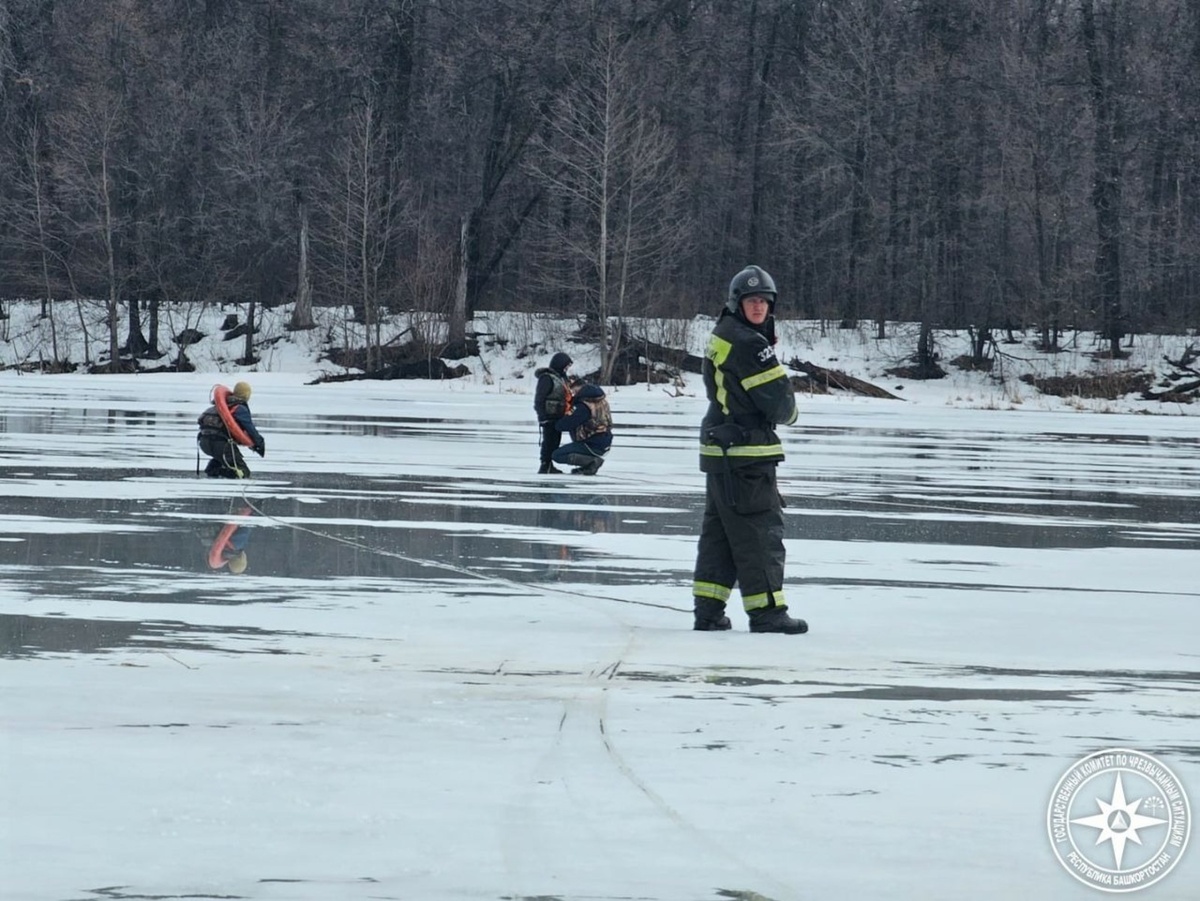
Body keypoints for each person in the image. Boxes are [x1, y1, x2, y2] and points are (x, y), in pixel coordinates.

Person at [691, 265, 807, 634]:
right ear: (736, 303)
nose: (758, 307)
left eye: (764, 301)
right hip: (746, 454)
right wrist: (789, 408)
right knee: (760, 532)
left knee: (721, 535)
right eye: (751, 301)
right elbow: (781, 406)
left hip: (719, 450)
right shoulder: (749, 344)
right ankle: (767, 611)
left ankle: (708, 611)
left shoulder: (722, 334)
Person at [197, 381, 265, 479]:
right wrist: (259, 443)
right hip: (221, 444)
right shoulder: (240, 408)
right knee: (243, 472)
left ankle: (213, 470)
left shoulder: (218, 407)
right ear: (246, 395)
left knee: (223, 459)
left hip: (204, 443)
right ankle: (220, 474)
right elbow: (250, 429)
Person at [552, 380, 612, 475]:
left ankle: (592, 462)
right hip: (604, 441)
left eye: (575, 391)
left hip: (591, 444)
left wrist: (557, 420)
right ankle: (587, 467)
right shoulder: (601, 401)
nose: (574, 394)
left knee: (557, 455)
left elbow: (565, 424)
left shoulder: (583, 407)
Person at [533, 352, 573, 474]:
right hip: (548, 416)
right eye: (565, 366)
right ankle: (545, 464)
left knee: (555, 441)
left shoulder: (562, 378)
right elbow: (539, 399)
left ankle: (550, 464)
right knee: (548, 441)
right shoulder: (547, 378)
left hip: (559, 415)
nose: (566, 369)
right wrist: (542, 416)